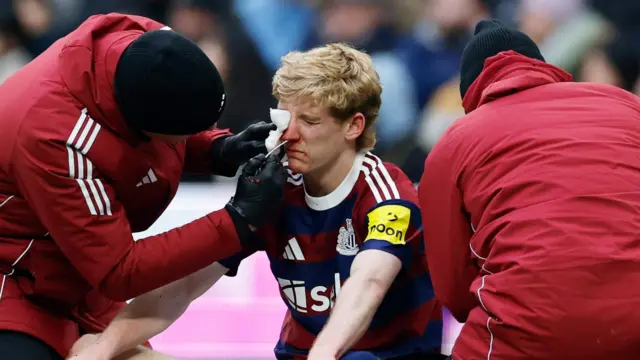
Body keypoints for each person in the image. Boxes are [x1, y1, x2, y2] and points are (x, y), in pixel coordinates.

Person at [67, 43, 445, 360]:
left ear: (353, 126)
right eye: (284, 116)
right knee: (117, 355)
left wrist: (322, 356)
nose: (289, 134)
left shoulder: (386, 195)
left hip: (382, 356)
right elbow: (182, 287)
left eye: (310, 122)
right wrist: (102, 347)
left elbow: (369, 282)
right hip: (301, 354)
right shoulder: (274, 187)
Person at [0, 12, 286, 360]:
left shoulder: (145, 39)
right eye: (184, 134)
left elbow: (162, 127)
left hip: (76, 276)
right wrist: (236, 220)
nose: (187, 139)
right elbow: (119, 269)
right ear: (141, 126)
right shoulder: (56, 139)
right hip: (15, 279)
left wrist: (217, 147)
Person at [419, 19, 640, 360]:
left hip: (528, 327)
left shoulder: (457, 139)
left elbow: (454, 292)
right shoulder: (623, 103)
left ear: (470, 93)